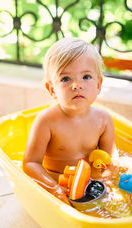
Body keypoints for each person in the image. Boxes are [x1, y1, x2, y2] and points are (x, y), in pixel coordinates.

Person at [23, 37, 117, 204]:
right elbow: (30, 163)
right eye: (66, 79)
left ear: (99, 84)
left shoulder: (103, 120)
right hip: (58, 183)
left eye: (86, 77)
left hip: (91, 183)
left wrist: (108, 180)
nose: (76, 85)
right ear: (52, 89)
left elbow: (111, 156)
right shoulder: (46, 121)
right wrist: (53, 188)